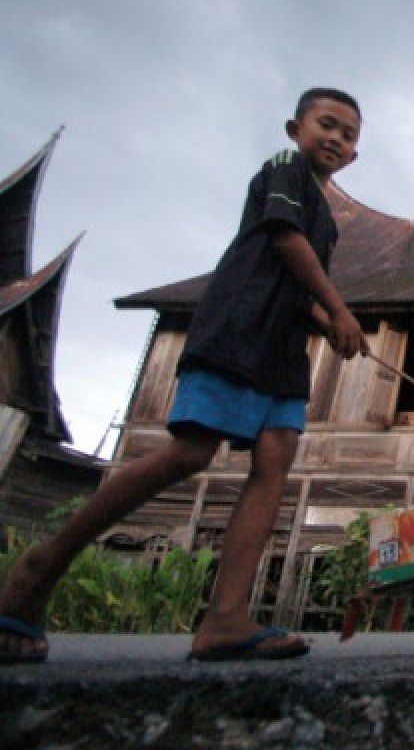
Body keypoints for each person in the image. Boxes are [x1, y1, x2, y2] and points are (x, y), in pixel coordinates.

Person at [0, 87, 370, 663]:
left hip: (281, 351)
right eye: (326, 125)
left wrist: (328, 323)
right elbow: (282, 239)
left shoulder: (328, 219)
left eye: (348, 136)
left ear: (353, 156)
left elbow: (301, 282)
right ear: (295, 128)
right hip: (237, 327)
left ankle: (224, 618)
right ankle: (41, 565)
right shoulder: (283, 169)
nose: (335, 139)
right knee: (192, 453)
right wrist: (340, 308)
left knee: (274, 461)